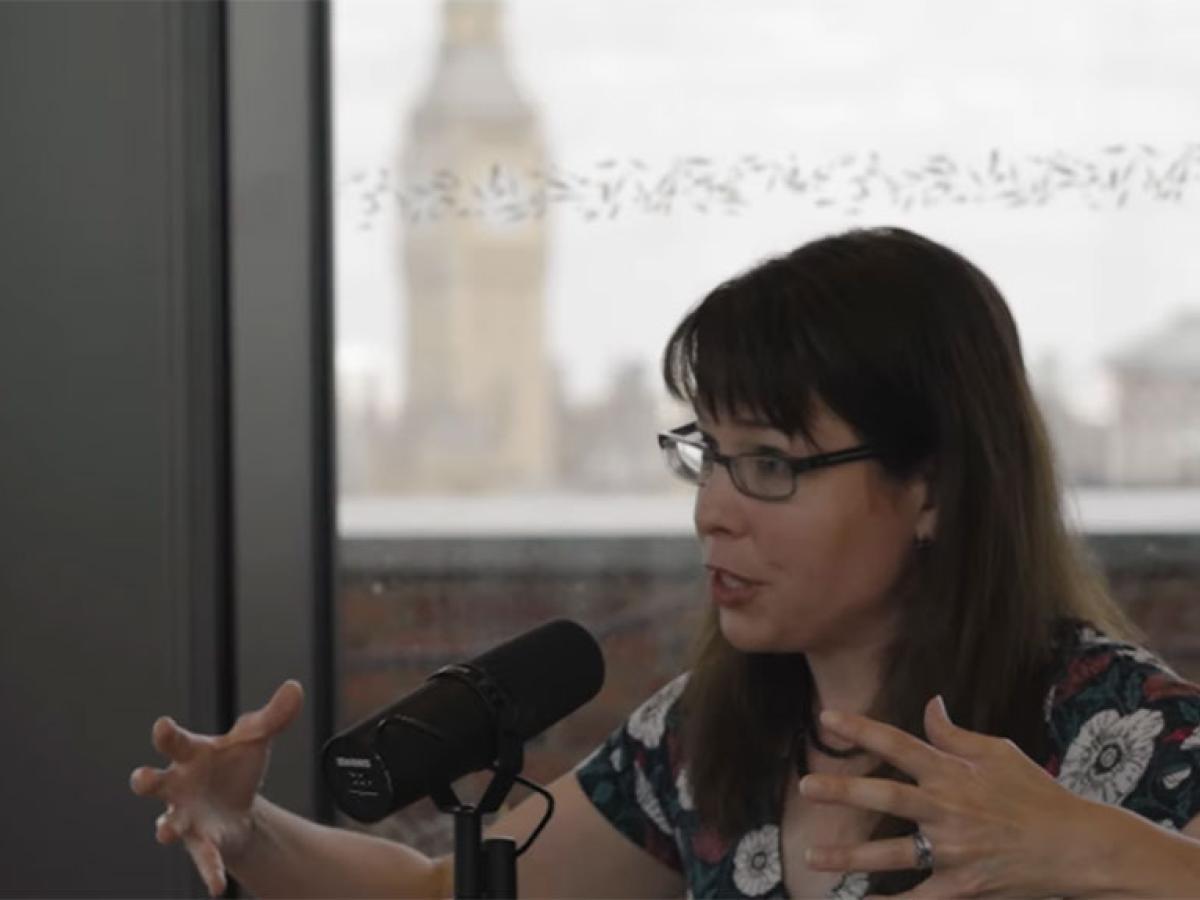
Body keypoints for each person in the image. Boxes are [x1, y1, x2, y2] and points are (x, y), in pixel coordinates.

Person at [131, 226, 1200, 898]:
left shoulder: (1115, 728)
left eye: (772, 465)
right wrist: (248, 829)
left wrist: (1097, 853)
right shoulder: (704, 736)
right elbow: (437, 892)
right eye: (709, 455)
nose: (713, 513)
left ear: (935, 487)